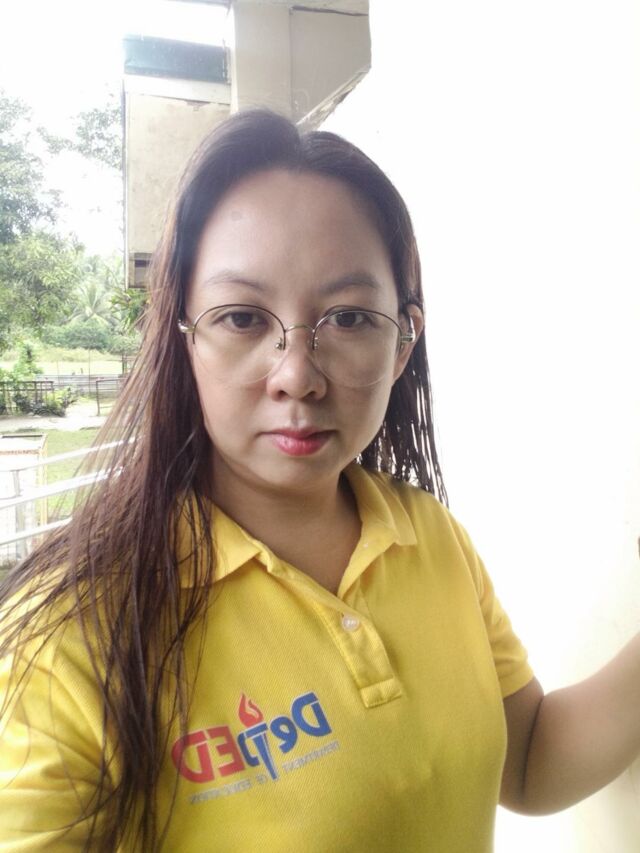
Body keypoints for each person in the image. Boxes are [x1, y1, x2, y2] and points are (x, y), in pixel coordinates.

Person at [0, 109, 638, 853]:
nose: (296, 375)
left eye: (348, 318)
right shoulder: (71, 634)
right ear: (184, 338)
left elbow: (528, 760)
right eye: (242, 317)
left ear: (403, 344)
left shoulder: (429, 535)